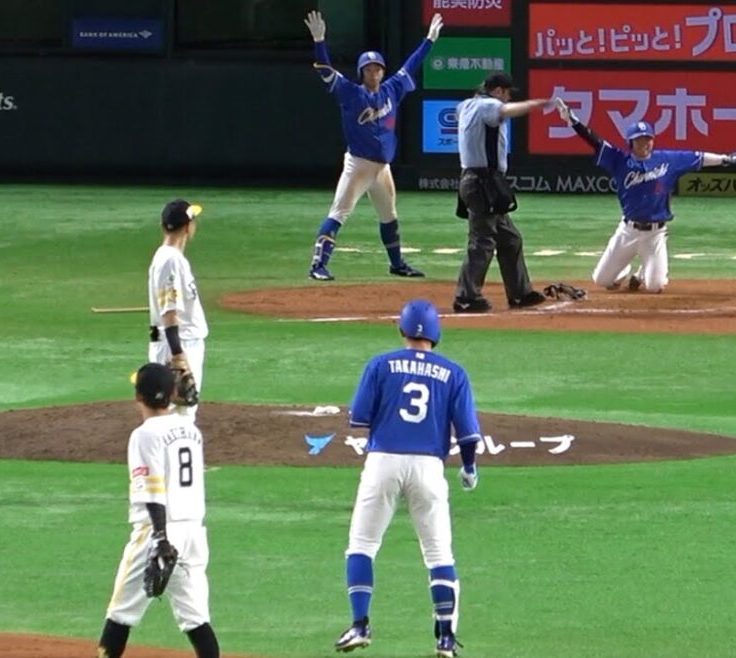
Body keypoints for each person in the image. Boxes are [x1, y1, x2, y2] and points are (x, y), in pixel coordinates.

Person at [335, 299, 482, 657]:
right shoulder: (454, 373)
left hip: (383, 461)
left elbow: (359, 418)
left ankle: (360, 625)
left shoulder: (380, 364)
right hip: (428, 467)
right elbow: (467, 435)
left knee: (362, 545)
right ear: (436, 333)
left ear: (401, 329)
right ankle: (445, 638)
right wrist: (468, 468)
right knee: (438, 553)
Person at [305, 10, 444, 281]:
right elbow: (325, 72)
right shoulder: (350, 92)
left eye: (378, 68)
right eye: (369, 69)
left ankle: (397, 264)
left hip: (382, 169)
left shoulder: (392, 89)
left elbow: (412, 64)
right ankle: (318, 265)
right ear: (361, 72)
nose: (374, 72)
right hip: (358, 165)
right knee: (339, 213)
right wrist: (319, 42)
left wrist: (429, 41)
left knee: (389, 215)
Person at [555, 98, 736, 293]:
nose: (645, 143)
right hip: (628, 231)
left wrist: (726, 159)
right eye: (639, 139)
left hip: (655, 234)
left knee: (655, 286)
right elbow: (595, 142)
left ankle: (641, 274)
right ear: (630, 142)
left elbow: (698, 157)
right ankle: (622, 271)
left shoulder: (668, 159)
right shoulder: (619, 160)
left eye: (648, 139)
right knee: (601, 280)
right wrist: (573, 121)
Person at [96, 363, 218, 658]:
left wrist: (161, 538)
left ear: (138, 396)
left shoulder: (145, 434)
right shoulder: (191, 429)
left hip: (159, 531)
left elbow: (151, 491)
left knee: (120, 613)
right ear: (172, 394)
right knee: (196, 619)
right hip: (193, 532)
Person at [452, 73, 550, 313]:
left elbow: (459, 112)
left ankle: (519, 294)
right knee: (482, 241)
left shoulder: (466, 105)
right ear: (497, 91)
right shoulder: (488, 105)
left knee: (510, 239)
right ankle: (466, 297)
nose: (507, 98)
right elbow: (505, 111)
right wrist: (535, 104)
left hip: (482, 182)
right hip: (482, 182)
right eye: (506, 93)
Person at [148, 199, 208, 422]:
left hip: (172, 342)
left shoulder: (169, 258)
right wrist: (178, 355)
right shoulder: (170, 260)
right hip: (179, 344)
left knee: (177, 412)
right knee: (178, 414)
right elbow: (169, 311)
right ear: (188, 227)